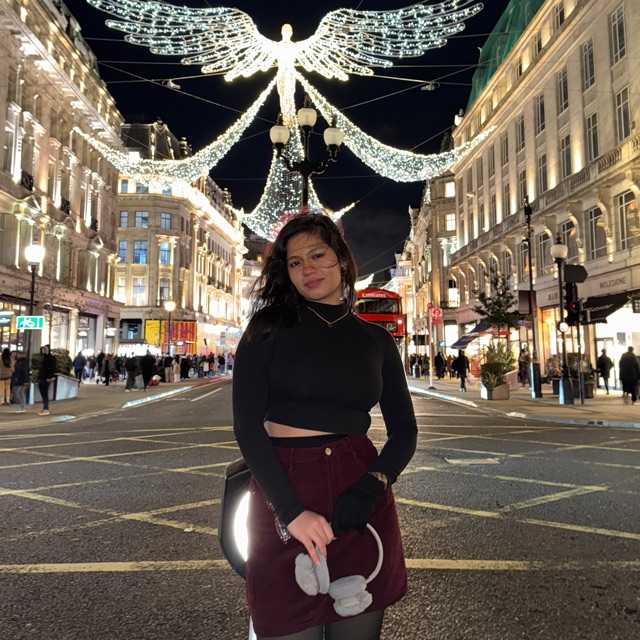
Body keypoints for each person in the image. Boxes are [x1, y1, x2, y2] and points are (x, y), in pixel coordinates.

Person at [232, 214, 417, 639]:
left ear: (342, 261)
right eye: (295, 262)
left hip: (358, 492)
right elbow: (247, 427)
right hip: (286, 486)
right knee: (286, 621)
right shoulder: (267, 329)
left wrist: (374, 483)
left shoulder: (375, 341)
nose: (308, 269)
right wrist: (290, 511)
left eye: (317, 255)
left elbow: (404, 430)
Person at [38, 345, 56, 416]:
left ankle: (46, 409)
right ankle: (45, 408)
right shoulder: (43, 357)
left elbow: (53, 368)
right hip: (41, 377)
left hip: (47, 378)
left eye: (45, 349)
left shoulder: (51, 358)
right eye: (43, 349)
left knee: (45, 393)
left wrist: (50, 377)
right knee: (43, 393)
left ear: (48, 350)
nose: (44, 350)